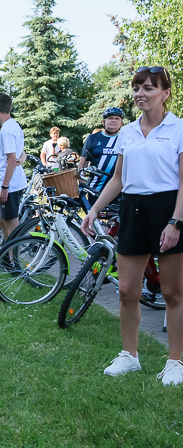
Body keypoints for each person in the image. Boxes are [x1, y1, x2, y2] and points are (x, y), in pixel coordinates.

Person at [80, 66, 183, 386]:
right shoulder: (127, 131)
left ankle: (176, 361)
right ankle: (130, 356)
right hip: (132, 208)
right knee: (126, 290)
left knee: (173, 292)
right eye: (137, 87)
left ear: (165, 94)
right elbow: (119, 179)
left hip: (168, 209)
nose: (140, 93)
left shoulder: (178, 128)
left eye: (148, 88)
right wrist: (95, 209)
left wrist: (176, 222)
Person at [0, 93, 27, 241]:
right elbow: (21, 153)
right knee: (0, 217)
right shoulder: (13, 125)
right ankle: (7, 251)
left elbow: (12, 160)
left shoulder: (6, 130)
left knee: (11, 222)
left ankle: (13, 257)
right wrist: (22, 159)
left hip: (10, 184)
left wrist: (5, 187)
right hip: (9, 181)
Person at [79, 107, 125, 196]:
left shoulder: (125, 138)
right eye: (110, 118)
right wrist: (81, 180)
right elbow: (83, 160)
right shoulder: (92, 138)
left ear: (121, 123)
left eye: (117, 119)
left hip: (119, 188)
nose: (113, 121)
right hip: (96, 187)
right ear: (104, 122)